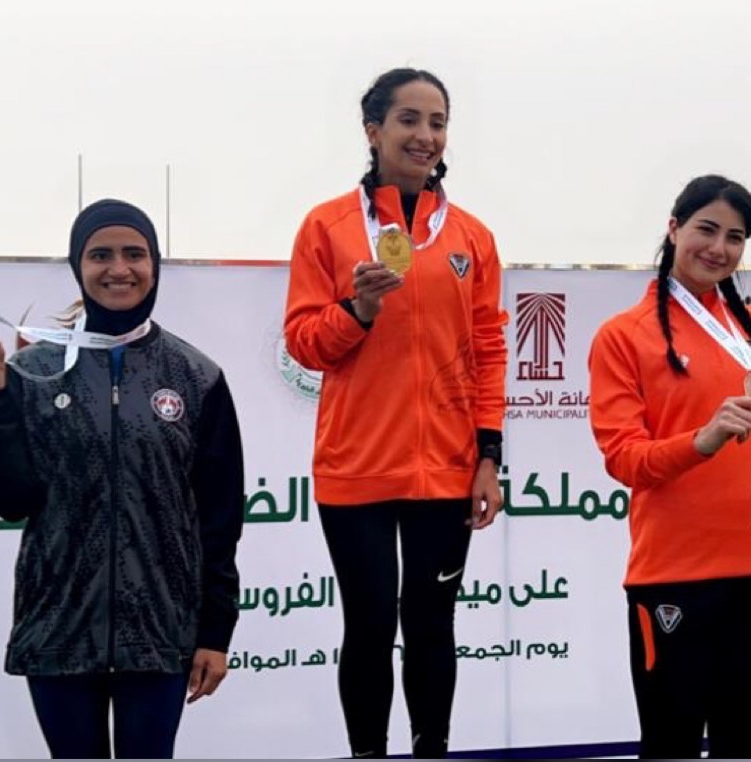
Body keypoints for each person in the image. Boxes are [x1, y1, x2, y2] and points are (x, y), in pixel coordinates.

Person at [0, 199, 245, 759]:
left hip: (159, 634)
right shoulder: (34, 371)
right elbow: (12, 500)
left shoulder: (196, 376)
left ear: (154, 264)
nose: (119, 269)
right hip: (59, 629)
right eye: (100, 255)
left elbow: (220, 518)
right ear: (77, 266)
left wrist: (214, 632)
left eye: (134, 254)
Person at [283, 67, 507, 759]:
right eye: (409, 120)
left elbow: (489, 350)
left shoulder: (472, 236)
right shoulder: (327, 226)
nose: (425, 136)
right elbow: (303, 343)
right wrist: (359, 310)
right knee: (370, 626)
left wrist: (489, 456)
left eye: (437, 122)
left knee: (433, 626)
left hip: (448, 470)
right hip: (356, 470)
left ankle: (431, 751)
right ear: (373, 130)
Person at [587, 175, 751, 759]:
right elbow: (624, 458)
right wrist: (701, 440)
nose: (719, 248)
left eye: (735, 237)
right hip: (676, 576)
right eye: (707, 229)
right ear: (674, 228)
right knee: (669, 744)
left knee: (745, 746)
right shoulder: (623, 336)